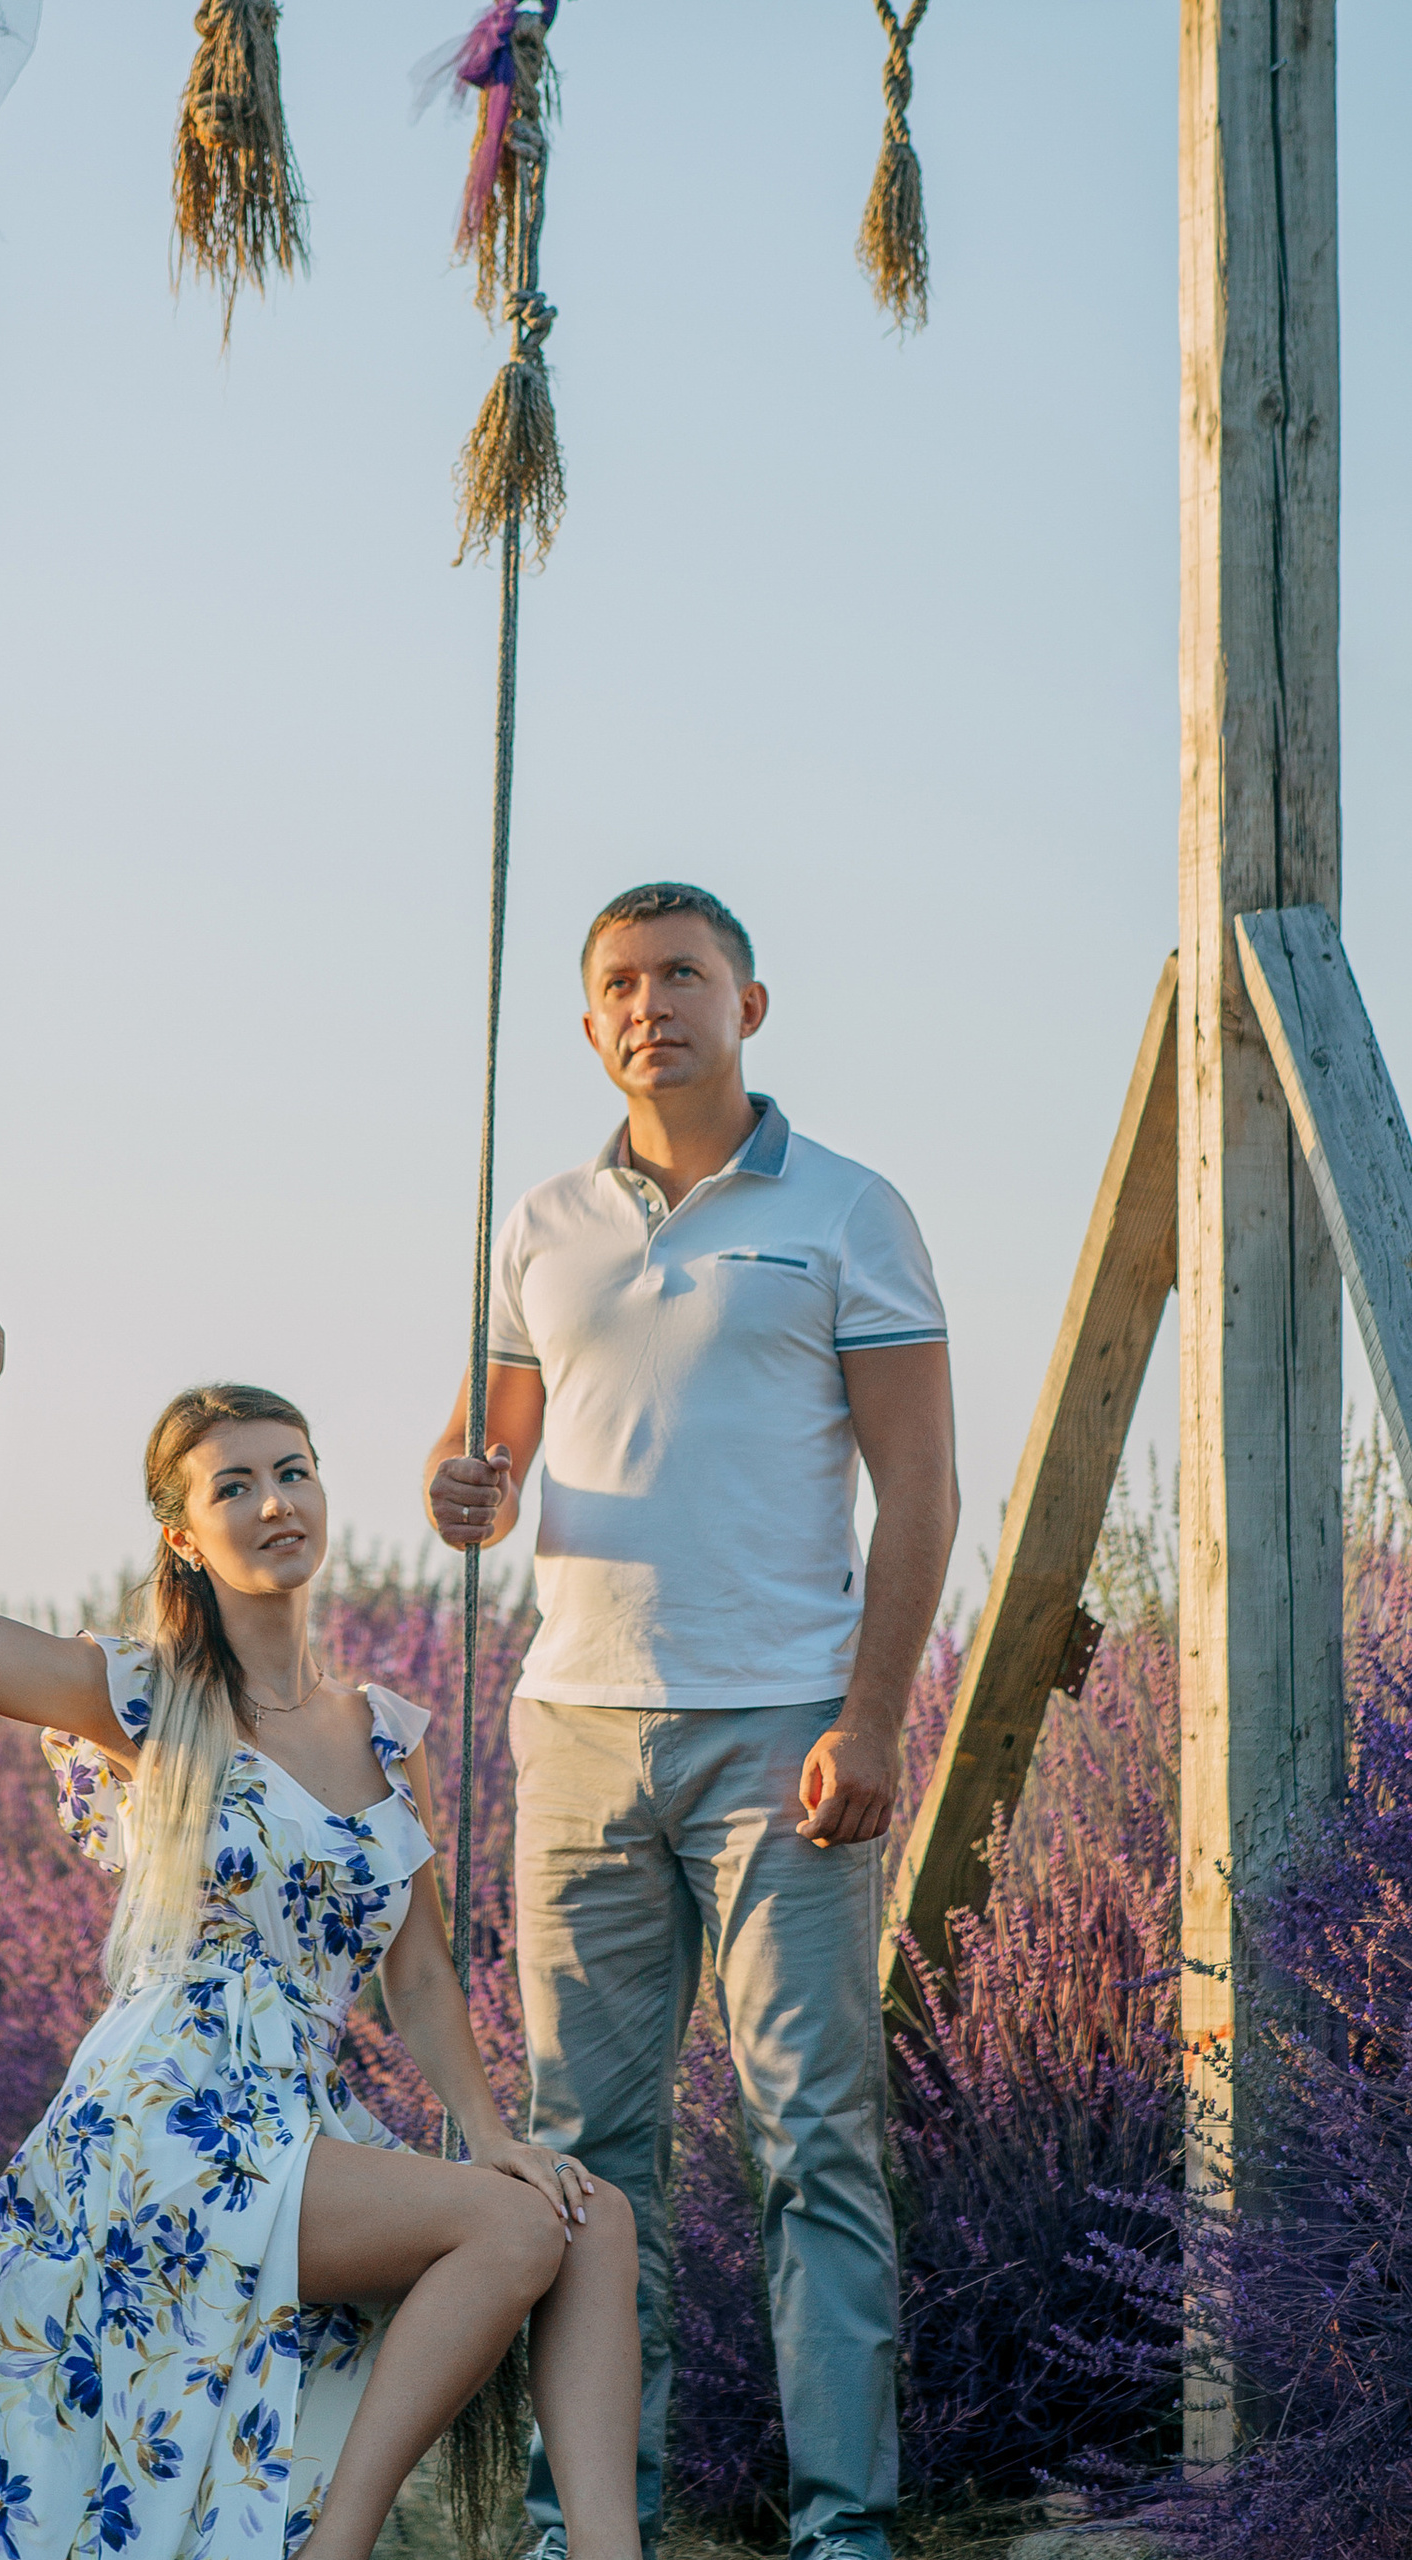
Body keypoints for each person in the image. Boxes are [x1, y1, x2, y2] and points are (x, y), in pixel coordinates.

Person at [0, 1256, 643, 2560]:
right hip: (162, 2128)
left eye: (293, 1469)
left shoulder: (379, 1738)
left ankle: (606, 2552)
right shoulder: (154, 1701)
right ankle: (337, 2545)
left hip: (293, 2122)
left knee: (589, 2213)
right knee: (513, 2229)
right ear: (184, 1535)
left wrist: (483, 2128)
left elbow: (417, 1983)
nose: (276, 1500)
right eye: (234, 1485)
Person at [422, 883, 959, 2560]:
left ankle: (844, 2529)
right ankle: (589, 2525)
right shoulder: (541, 1224)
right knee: (585, 2161)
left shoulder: (853, 1210)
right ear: (589, 1025)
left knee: (812, 2140)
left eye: (684, 976)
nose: (652, 1003)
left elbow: (925, 1492)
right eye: (621, 984)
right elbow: (484, 1470)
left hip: (785, 1731)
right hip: (574, 1730)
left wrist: (873, 1719)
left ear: (751, 1004)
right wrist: (457, 1488)